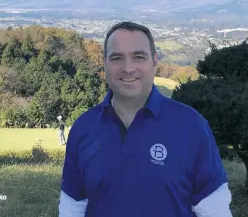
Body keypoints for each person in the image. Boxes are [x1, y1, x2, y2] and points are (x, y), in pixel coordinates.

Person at [59, 21, 232, 217]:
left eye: (138, 57)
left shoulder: (191, 126)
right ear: (105, 63)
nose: (128, 68)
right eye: (117, 58)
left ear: (155, 61)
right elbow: (72, 208)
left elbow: (214, 210)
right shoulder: (84, 128)